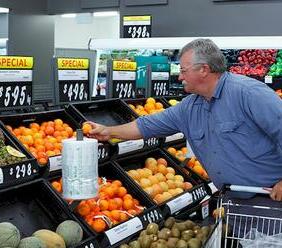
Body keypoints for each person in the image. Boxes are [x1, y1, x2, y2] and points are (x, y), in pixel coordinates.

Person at [87, 38, 282, 202]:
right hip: (232, 199)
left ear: (203, 70)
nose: (180, 77)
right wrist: (108, 131)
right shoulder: (189, 107)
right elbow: (146, 125)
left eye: (183, 70)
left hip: (271, 198)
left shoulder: (249, 94)